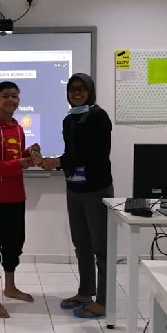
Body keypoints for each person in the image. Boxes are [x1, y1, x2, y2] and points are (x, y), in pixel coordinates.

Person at [40, 73, 113, 318]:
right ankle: (85, 292)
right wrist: (57, 162)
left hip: (96, 189)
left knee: (101, 247)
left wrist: (58, 162)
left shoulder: (98, 117)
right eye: (72, 89)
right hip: (75, 188)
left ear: (90, 91)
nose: (77, 93)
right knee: (81, 243)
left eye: (82, 89)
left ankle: (104, 301)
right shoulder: (69, 118)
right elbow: (72, 152)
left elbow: (92, 154)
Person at [0, 81, 41, 318]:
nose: (10, 100)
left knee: (14, 244)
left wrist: (29, 155)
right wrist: (18, 164)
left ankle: (10, 287)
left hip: (16, 197)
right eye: (5, 96)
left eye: (14, 96)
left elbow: (13, 158)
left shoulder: (18, 129)